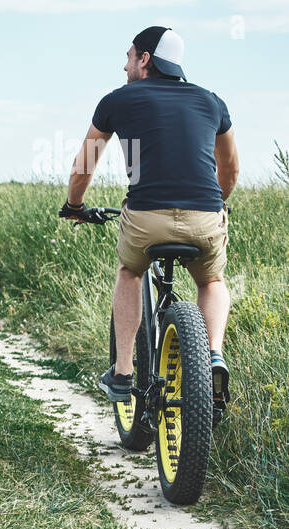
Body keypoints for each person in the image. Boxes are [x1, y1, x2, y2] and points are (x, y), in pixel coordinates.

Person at [59, 26, 239, 402]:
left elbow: (85, 164)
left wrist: (74, 205)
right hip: (204, 218)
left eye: (128, 56)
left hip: (146, 219)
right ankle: (214, 354)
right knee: (211, 281)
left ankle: (123, 372)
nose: (124, 65)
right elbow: (231, 169)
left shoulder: (118, 100)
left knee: (130, 271)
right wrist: (215, 203)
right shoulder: (212, 102)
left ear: (145, 59)